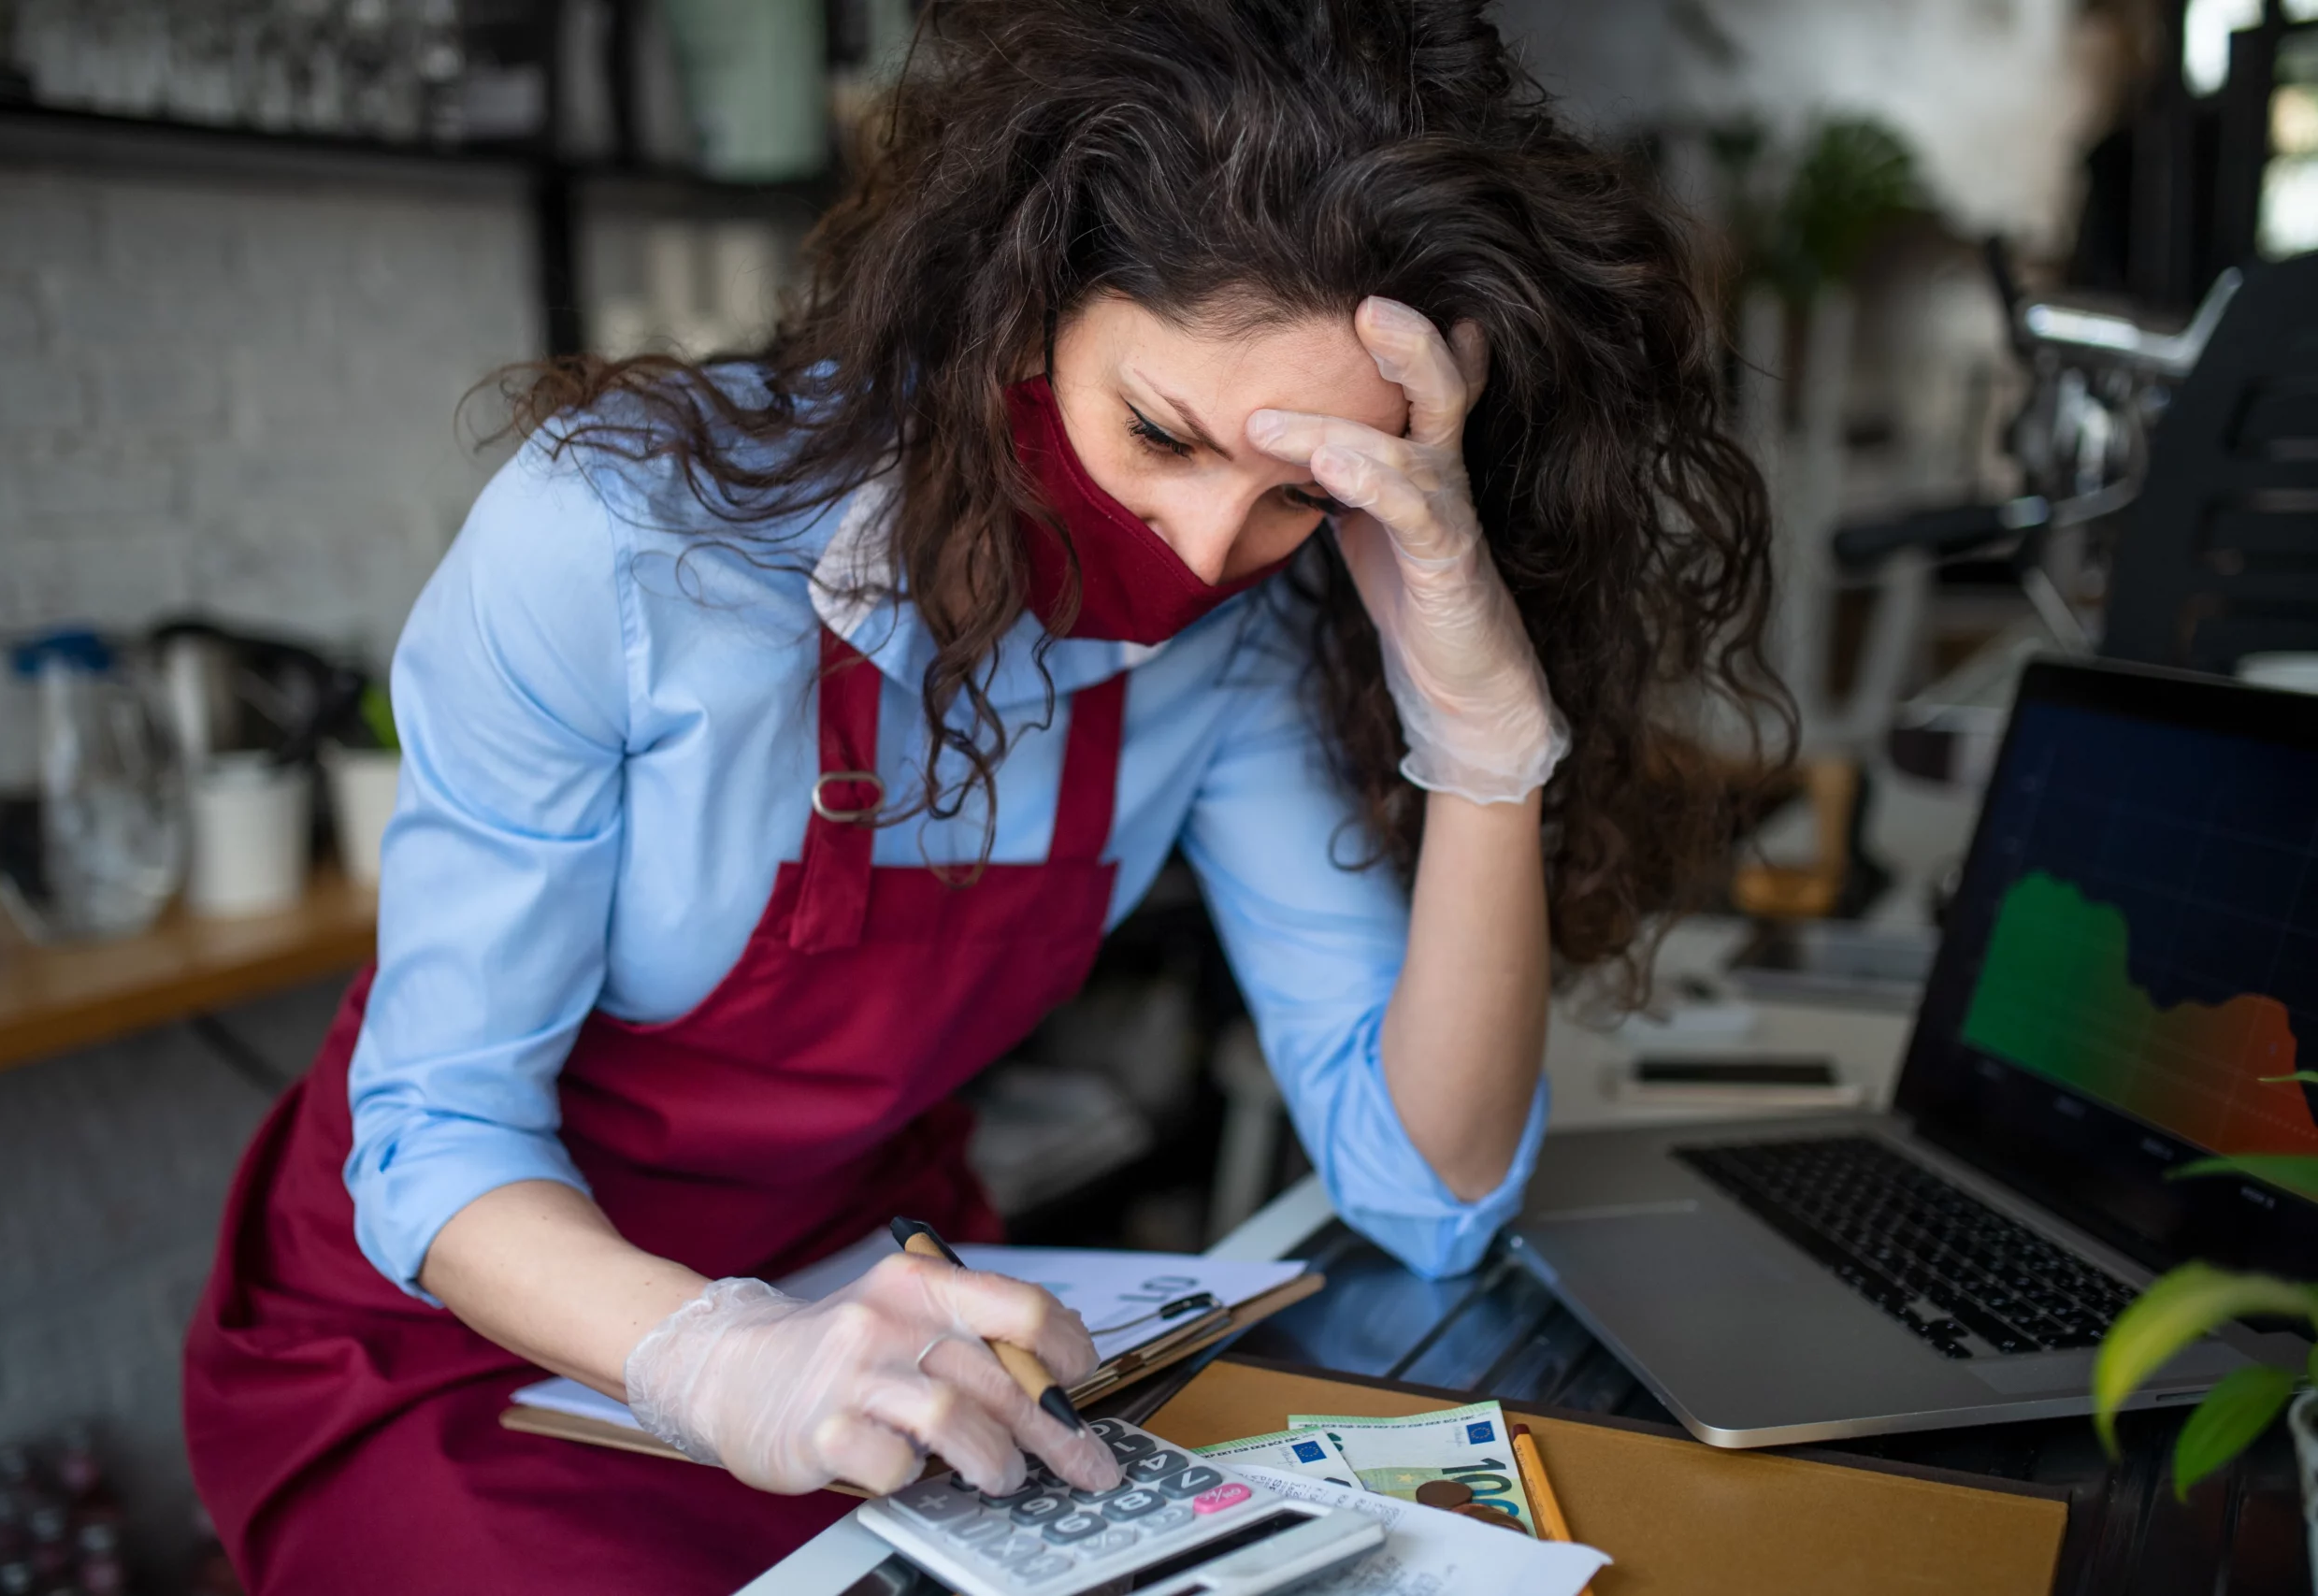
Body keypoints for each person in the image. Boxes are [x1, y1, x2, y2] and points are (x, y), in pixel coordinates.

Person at [182, 0, 1780, 1589]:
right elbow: (435, 1135)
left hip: (892, 1319)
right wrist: (722, 1355)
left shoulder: (1235, 648)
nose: (1209, 550)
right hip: (459, 1343)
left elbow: (1429, 1192)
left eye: (1303, 493)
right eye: (1159, 433)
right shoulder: (616, 543)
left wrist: (1486, 739)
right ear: (1024, 304)